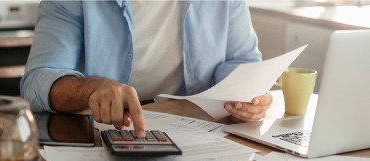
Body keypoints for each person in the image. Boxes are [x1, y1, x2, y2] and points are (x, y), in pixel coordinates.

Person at [20, 0, 273, 139]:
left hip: (197, 134)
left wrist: (247, 94)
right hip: (92, 135)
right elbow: (37, 81)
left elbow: (240, 60)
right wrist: (92, 89)